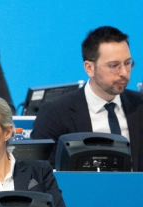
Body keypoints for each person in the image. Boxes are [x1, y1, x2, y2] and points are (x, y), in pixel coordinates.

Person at [31, 26, 143, 171]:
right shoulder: (56, 113)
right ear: (89, 68)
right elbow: (39, 173)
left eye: (127, 63)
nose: (123, 73)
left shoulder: (140, 106)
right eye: (114, 65)